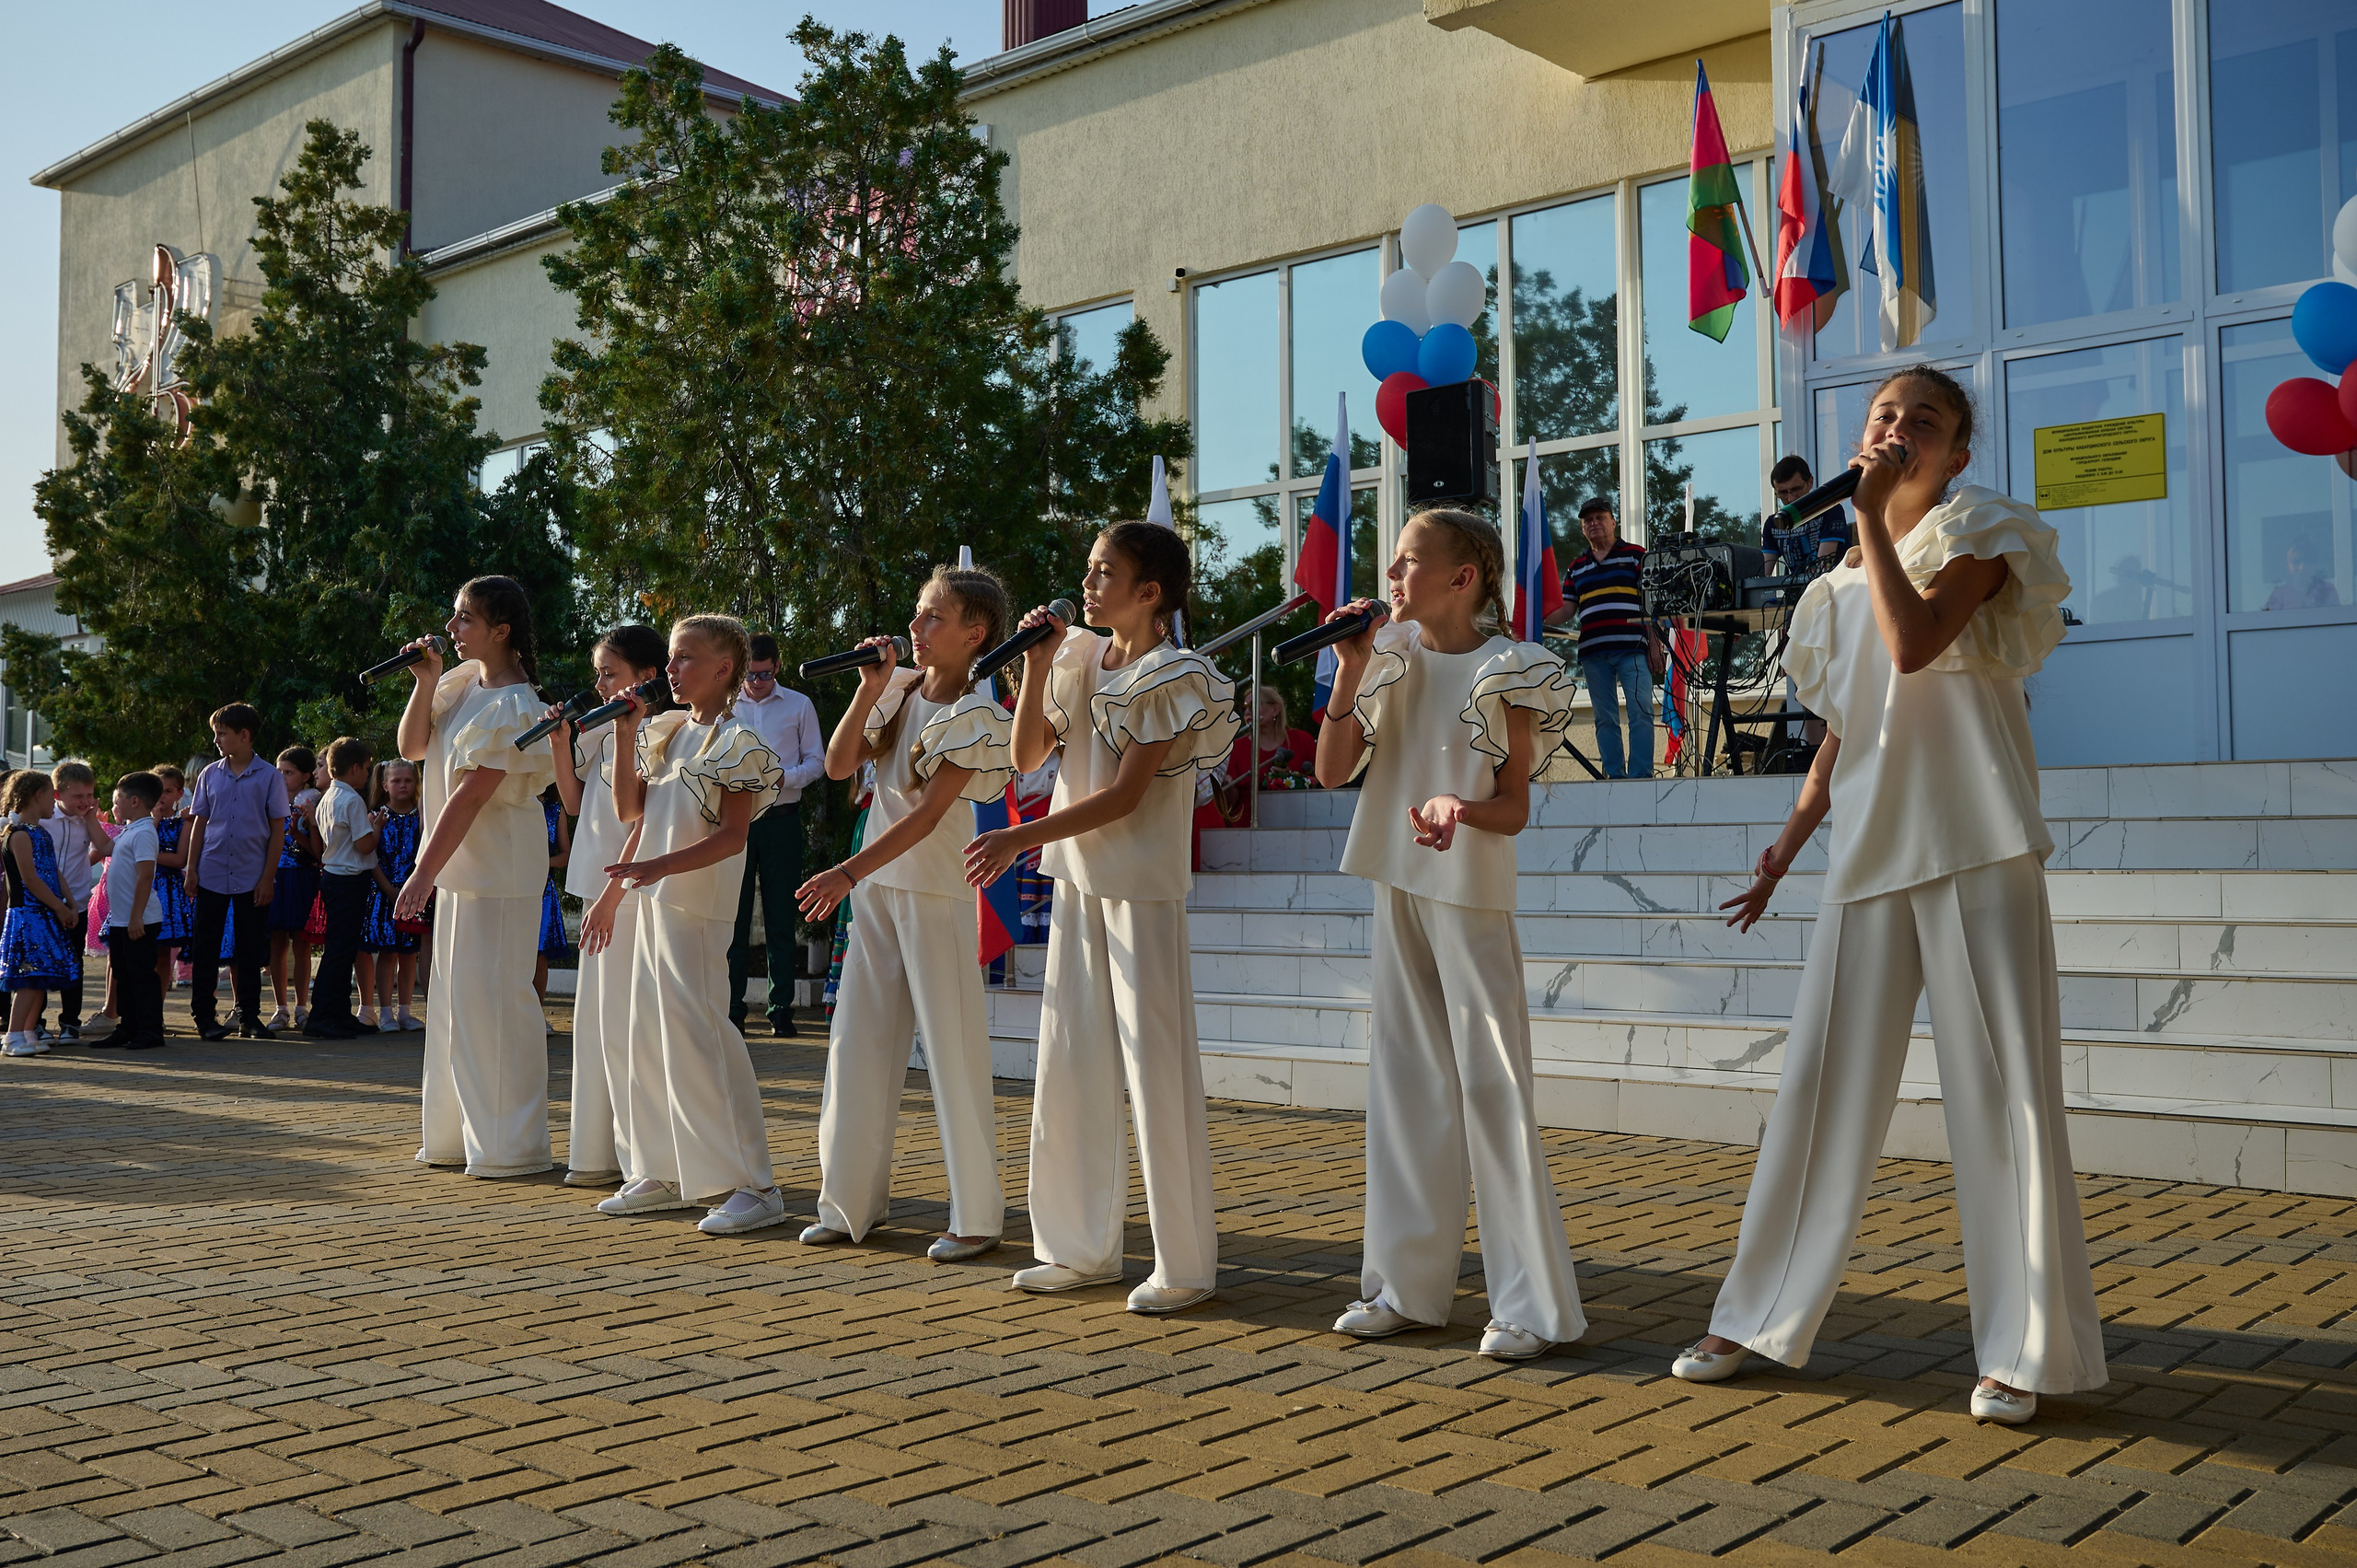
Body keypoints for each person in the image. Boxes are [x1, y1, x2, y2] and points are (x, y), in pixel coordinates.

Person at [1675, 365, 2104, 1426]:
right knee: (1815, 1091)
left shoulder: (1983, 529)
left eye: (1924, 419)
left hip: (1973, 840)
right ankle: (1755, 1310)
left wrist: (1866, 519)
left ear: (1957, 450)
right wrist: (1782, 848)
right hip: (1866, 850)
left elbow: (1914, 645)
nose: (1897, 427)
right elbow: (1841, 735)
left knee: (2003, 1101)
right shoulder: (1828, 590)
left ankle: (2024, 1349)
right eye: (1882, 416)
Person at [1311, 508, 1587, 1361]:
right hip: (1396, 875)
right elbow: (1328, 770)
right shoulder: (1384, 656)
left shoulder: (1510, 668)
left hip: (1467, 887)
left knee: (1493, 1087)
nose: (1391, 577)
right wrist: (1350, 668)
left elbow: (1513, 806)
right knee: (1405, 1082)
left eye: (1407, 563)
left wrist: (1457, 808)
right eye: (1391, 562)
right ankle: (1406, 1287)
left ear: (1464, 578)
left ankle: (1531, 1304)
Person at [964, 521, 1240, 1315]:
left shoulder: (1172, 673)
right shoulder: (1079, 655)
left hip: (1141, 887)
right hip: (1079, 877)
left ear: (1150, 593)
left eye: (1104, 572)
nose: (1087, 584)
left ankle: (1183, 1262)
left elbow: (1124, 797)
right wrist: (1038, 659)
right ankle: (1077, 1248)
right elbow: (1026, 759)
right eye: (1088, 570)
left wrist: (1019, 834)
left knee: (1157, 1071)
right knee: (1070, 1059)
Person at [798, 565, 1015, 1260]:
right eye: (918, 614)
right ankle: (848, 1203)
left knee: (953, 1052)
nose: (915, 629)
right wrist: (866, 688)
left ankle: (977, 1214)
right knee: (856, 1043)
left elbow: (926, 816)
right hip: (878, 893)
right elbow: (838, 767)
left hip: (931, 890)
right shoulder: (895, 690)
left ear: (974, 633)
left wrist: (844, 870)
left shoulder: (978, 709)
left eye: (933, 618)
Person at [590, 614, 786, 1236]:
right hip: (653, 898)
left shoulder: (737, 740)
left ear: (725, 668)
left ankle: (756, 1183)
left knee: (704, 1037)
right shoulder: (669, 733)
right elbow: (631, 812)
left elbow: (732, 838)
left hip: (697, 906)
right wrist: (615, 892)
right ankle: (662, 1168)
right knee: (649, 1032)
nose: (671, 670)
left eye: (685, 659)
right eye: (672, 659)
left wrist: (657, 866)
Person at [392, 576, 560, 1179]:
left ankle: (511, 1145)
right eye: (455, 616)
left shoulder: (517, 703)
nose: (453, 628)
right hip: (456, 867)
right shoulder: (458, 683)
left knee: (496, 1003)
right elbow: (412, 746)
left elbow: (469, 797)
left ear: (501, 630)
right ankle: (456, 1136)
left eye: (466, 619)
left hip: (497, 868)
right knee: (455, 1005)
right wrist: (425, 680)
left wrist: (420, 871)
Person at [549, 625, 670, 1189]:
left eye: (609, 673)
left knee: (628, 1021)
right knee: (596, 1021)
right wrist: (558, 739)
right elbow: (573, 802)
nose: (598, 684)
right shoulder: (601, 731)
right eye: (597, 673)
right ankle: (596, 1152)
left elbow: (642, 819)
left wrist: (613, 893)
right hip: (598, 886)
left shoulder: (661, 733)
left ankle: (642, 1157)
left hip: (631, 890)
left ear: (646, 676)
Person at [727, 634, 826, 1037]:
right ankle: (732, 1009)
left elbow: (817, 762)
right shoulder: (728, 705)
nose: (757, 682)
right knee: (732, 917)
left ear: (778, 667)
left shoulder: (798, 705)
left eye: (765, 675)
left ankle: (780, 1008)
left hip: (782, 818)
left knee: (781, 917)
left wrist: (784, 778)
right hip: (736, 821)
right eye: (750, 674)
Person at [186, 704, 291, 1040]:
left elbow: (277, 830)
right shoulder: (210, 775)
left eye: (222, 733)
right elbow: (200, 823)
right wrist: (191, 868)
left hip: (251, 875)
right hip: (212, 871)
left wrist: (267, 878)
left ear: (244, 736)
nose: (216, 740)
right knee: (206, 947)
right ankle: (204, 1016)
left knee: (249, 948)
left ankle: (249, 1015)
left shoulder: (270, 776)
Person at [1562, 498, 1658, 779]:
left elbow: (1652, 603)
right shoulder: (1576, 566)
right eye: (1587, 520)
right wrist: (1531, 616)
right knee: (1605, 718)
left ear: (1613, 522)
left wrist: (1655, 644)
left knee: (1641, 711)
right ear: (1582, 529)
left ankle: (1640, 776)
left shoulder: (1636, 555)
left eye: (1599, 517)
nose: (1594, 523)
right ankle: (1614, 777)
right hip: (1593, 652)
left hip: (1633, 647)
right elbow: (1566, 609)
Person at [304, 737, 378, 1039]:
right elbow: (363, 845)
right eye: (367, 769)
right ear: (356, 768)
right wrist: (377, 828)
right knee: (339, 950)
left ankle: (337, 1012)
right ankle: (322, 1015)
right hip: (348, 879)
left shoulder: (329, 797)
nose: (368, 776)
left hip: (333, 875)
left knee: (341, 949)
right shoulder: (352, 800)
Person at [3, 772, 80, 1057]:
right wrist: (59, 907)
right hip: (28, 917)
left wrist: (70, 902)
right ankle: (11, 1036)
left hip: (47, 914)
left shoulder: (41, 833)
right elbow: (31, 879)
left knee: (42, 978)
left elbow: (54, 871)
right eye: (51, 795)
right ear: (38, 796)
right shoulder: (19, 834)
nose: (54, 801)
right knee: (28, 977)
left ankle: (27, 1031)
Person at [93, 772, 167, 1051]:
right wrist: (91, 819)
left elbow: (145, 876)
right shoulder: (130, 830)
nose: (114, 807)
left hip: (140, 919)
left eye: (116, 801)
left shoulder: (145, 832)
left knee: (141, 976)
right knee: (123, 975)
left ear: (134, 801)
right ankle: (128, 1027)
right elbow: (103, 847)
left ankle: (149, 1031)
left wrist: (137, 917)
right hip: (123, 919)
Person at [34, 760, 104, 1042]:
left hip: (77, 904)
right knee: (39, 963)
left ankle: (70, 1023)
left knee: (74, 963)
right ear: (57, 795)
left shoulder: (87, 820)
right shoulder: (42, 819)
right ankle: (35, 1022)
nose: (85, 801)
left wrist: (90, 819)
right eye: (78, 796)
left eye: (89, 795)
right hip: (43, 904)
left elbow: (105, 846)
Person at [363, 761, 425, 1031]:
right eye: (396, 781)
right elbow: (371, 857)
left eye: (408, 781)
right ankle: (385, 1012)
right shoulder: (377, 816)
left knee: (409, 953)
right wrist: (388, 889)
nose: (402, 785)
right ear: (385, 784)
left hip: (414, 893)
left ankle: (405, 1011)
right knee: (388, 952)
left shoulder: (420, 816)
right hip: (384, 892)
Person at [266, 746, 321, 1029]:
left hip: (302, 878)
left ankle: (301, 1007)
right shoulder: (268, 802)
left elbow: (319, 851)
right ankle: (280, 1008)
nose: (281, 776)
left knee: (302, 943)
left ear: (306, 776)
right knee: (277, 943)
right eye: (279, 771)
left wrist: (305, 824)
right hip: (275, 877)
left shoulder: (313, 804)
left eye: (289, 772)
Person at [1763, 456, 1852, 580]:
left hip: (1832, 587)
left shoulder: (1830, 511)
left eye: (1796, 489)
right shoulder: (1773, 524)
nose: (1790, 498)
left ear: (1810, 482)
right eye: (1783, 493)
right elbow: (1764, 572)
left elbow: (1823, 565)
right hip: (1796, 592)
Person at [149, 765, 192, 1001]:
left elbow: (178, 859)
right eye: (158, 791)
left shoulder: (182, 823)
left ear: (179, 793)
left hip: (168, 891)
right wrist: (153, 820)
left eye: (168, 791)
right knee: (141, 951)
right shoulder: (143, 821)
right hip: (144, 888)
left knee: (163, 952)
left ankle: (157, 1007)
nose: (161, 797)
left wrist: (146, 855)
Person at [534, 785, 572, 1008]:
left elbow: (565, 855)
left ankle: (536, 1014)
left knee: (540, 956)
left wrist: (541, 863)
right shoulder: (512, 804)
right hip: (512, 886)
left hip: (543, 892)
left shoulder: (556, 810)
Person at [2265, 537, 2340, 612]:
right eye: (2296, 561)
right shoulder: (2279, 595)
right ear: (2287, 565)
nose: (2302, 568)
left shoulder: (2328, 591)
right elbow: (2267, 621)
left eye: (2307, 561)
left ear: (2315, 564)